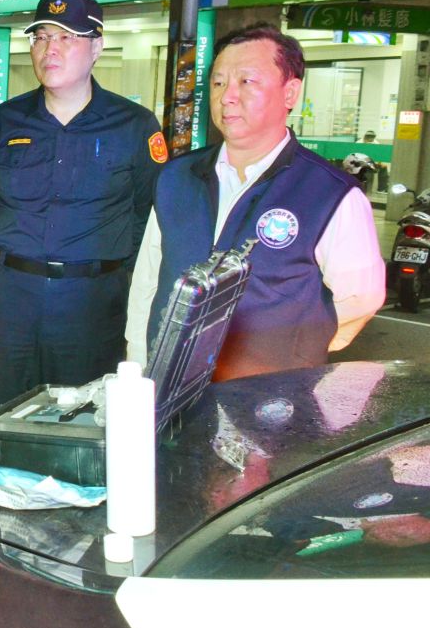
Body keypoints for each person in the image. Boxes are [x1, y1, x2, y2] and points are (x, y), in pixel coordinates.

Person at [126, 23, 385, 381]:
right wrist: (139, 364)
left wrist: (292, 347)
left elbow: (360, 298)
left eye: (246, 81)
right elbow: (148, 280)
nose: (227, 97)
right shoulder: (177, 177)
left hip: (271, 397)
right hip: (171, 386)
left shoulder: (329, 193)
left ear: (290, 93)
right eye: (218, 83)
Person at [0, 0, 166, 411]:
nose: (50, 49)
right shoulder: (3, 121)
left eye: (66, 37)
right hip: (12, 300)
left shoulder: (133, 125)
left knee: (82, 422)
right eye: (41, 37)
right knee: (4, 416)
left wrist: (102, 264)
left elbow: (147, 211)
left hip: (91, 304)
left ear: (97, 47)